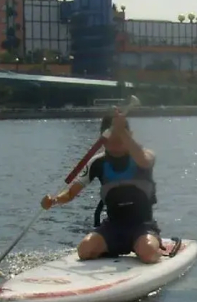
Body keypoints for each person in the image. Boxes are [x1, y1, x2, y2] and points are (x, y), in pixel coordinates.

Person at [41, 108, 162, 264]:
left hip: (143, 225)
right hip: (113, 226)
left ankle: (153, 249)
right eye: (111, 138)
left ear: (129, 135)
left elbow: (144, 161)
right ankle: (115, 248)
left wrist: (120, 131)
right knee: (84, 250)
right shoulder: (97, 163)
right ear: (102, 138)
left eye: (120, 138)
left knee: (147, 252)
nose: (115, 143)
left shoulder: (145, 155)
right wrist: (54, 200)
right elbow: (70, 194)